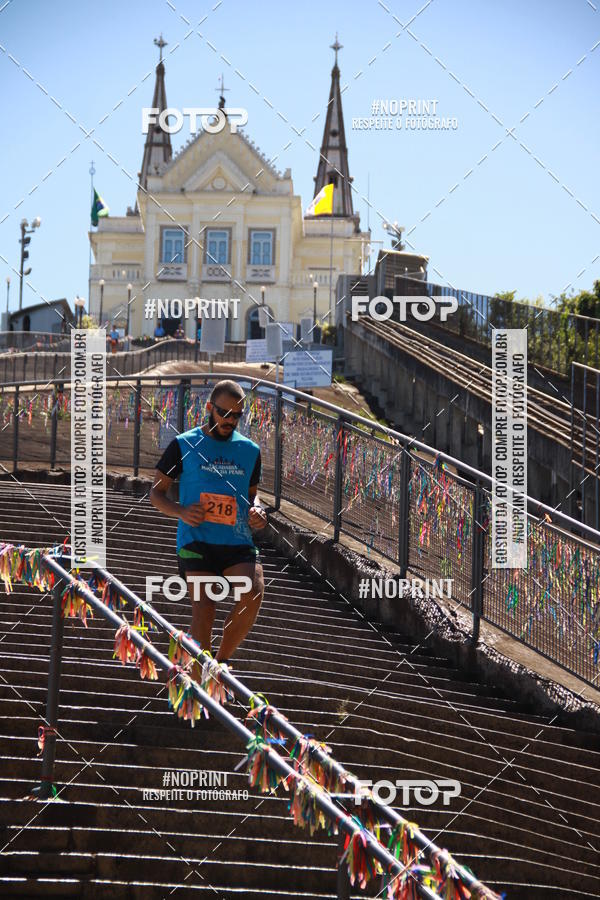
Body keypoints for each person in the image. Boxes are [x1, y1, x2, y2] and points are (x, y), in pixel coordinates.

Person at [150, 379, 267, 677]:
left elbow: (252, 494)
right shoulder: (183, 444)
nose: (229, 420)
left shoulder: (250, 450)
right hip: (196, 541)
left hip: (236, 539)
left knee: (253, 590)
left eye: (236, 415)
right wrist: (181, 511)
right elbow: (156, 493)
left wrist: (258, 509)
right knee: (205, 606)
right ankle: (192, 680)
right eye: (223, 413)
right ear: (209, 408)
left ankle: (220, 664)